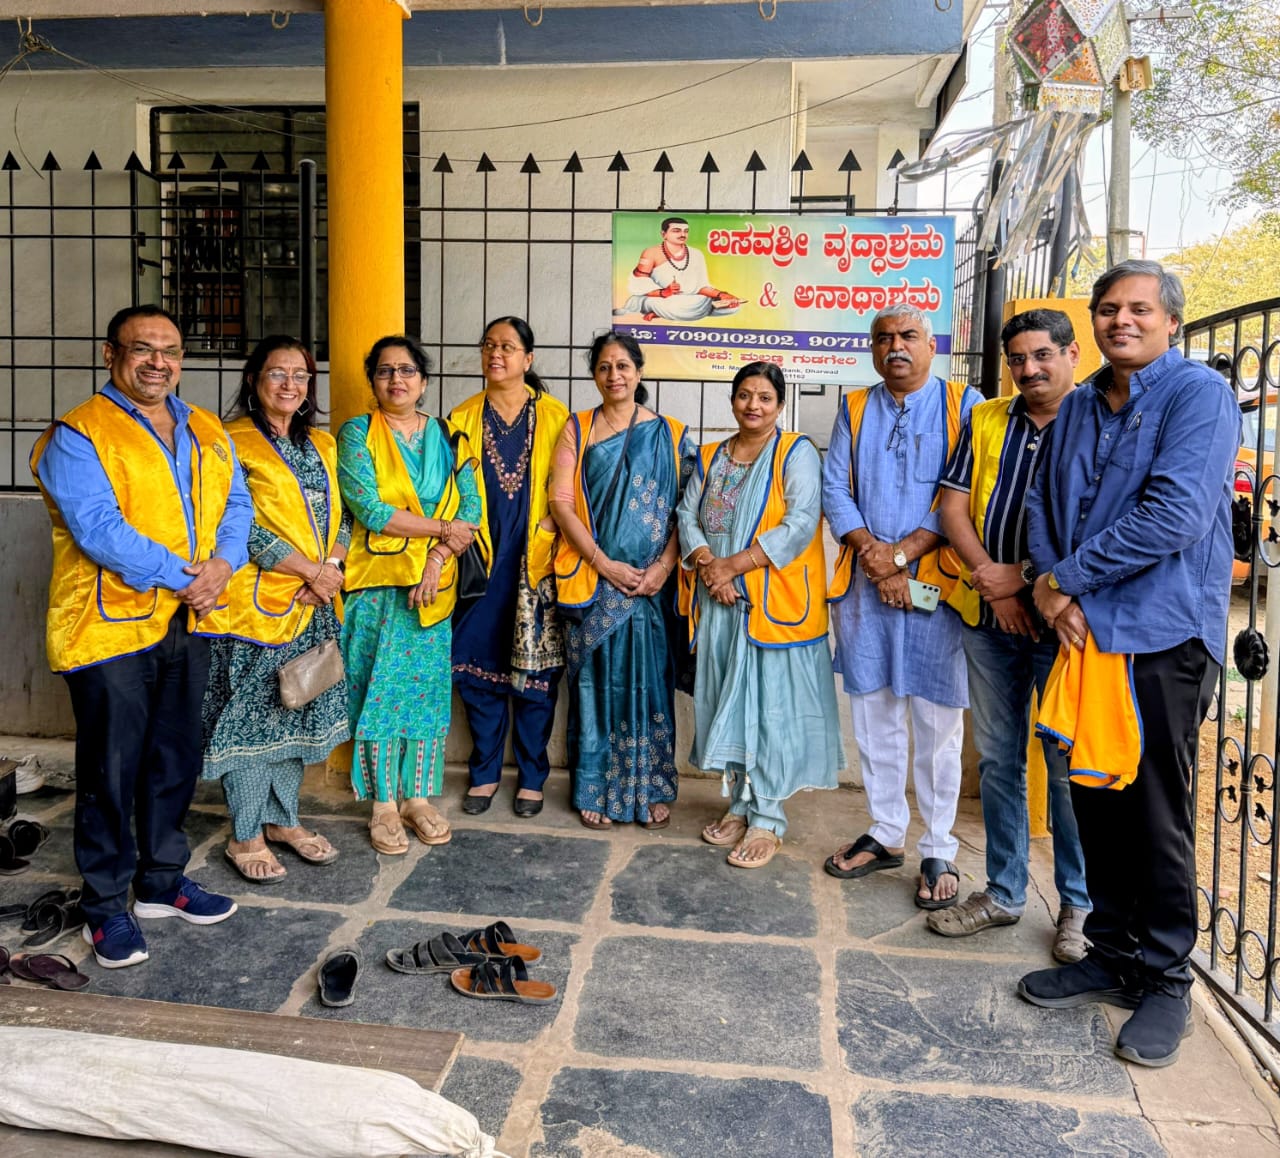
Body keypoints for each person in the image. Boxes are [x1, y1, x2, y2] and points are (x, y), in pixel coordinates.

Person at [1018, 260, 1239, 1068]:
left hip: (1161, 635)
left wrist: (1065, 581)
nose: (1121, 321)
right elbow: (1044, 507)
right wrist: (1054, 591)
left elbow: (1174, 515)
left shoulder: (1199, 397)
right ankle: (1109, 954)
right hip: (1083, 637)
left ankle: (1166, 980)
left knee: (1154, 811)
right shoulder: (1078, 405)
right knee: (1093, 800)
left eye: (1139, 310)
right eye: (1108, 309)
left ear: (1171, 321)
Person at [29, 304, 251, 968]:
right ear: (110, 355)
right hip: (107, 628)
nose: (158, 361)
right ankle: (104, 906)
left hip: (189, 619)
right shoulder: (79, 433)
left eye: (170, 350)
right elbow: (99, 530)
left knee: (173, 759)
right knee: (110, 772)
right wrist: (187, 576)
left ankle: (160, 883)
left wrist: (223, 566)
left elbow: (236, 504)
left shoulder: (206, 426)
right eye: (142, 349)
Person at [928, 309, 1090, 961]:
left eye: (1041, 356)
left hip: (1064, 623)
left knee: (1065, 766)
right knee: (998, 759)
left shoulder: (1097, 420)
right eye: (1017, 359)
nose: (1029, 369)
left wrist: (1025, 584)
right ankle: (1003, 893)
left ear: (1071, 353)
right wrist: (990, 580)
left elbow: (1097, 522)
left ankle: (1079, 905)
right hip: (988, 616)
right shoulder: (987, 417)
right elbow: (953, 505)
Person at [821, 303, 980, 909]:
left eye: (908, 335)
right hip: (866, 585)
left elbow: (965, 494)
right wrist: (871, 552)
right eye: (883, 337)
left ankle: (938, 844)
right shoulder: (855, 408)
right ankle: (887, 831)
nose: (896, 346)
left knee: (938, 724)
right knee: (875, 715)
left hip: (936, 587)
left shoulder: (964, 405)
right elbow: (837, 486)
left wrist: (903, 556)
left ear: (931, 344)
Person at [677, 361, 844, 869]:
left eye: (765, 397)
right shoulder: (710, 456)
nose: (754, 405)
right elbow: (687, 514)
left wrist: (733, 568)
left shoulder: (795, 453)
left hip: (769, 605)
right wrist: (709, 567)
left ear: (780, 404)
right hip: (720, 601)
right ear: (733, 401)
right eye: (745, 395)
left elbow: (799, 524)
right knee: (727, 701)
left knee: (769, 711)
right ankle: (739, 802)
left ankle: (768, 818)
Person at [199, 336, 351, 883]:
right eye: (277, 373)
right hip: (253, 608)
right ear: (253, 380)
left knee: (295, 707)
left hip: (314, 603)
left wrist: (330, 568)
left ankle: (284, 820)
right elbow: (232, 521)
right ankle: (246, 836)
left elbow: (345, 518)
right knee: (250, 722)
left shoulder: (324, 446)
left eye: (301, 375)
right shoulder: (229, 441)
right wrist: (307, 571)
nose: (290, 384)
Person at [338, 335, 484, 854]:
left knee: (424, 696)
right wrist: (443, 531)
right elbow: (369, 508)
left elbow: (473, 508)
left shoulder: (450, 437)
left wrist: (439, 557)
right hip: (376, 586)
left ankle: (418, 797)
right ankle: (381, 804)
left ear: (423, 380)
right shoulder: (357, 434)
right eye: (384, 371)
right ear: (372, 380)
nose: (396, 380)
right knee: (378, 692)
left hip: (433, 589)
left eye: (406, 370)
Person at [550, 332, 694, 830]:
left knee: (650, 685)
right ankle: (595, 787)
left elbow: (685, 513)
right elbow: (561, 503)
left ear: (639, 371)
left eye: (623, 366)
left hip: (650, 589)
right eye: (604, 367)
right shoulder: (577, 428)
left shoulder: (672, 435)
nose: (614, 375)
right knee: (593, 684)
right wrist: (602, 562)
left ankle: (651, 786)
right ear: (594, 374)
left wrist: (663, 568)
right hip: (594, 581)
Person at [450, 318, 568, 819]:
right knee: (476, 668)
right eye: (488, 345)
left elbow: (571, 490)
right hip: (478, 562)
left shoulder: (559, 417)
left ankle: (533, 776)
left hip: (536, 561)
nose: (496, 354)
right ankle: (484, 771)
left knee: (537, 673)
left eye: (508, 346)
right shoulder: (460, 417)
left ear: (528, 358)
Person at [614, 217, 743, 322]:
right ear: (664, 234)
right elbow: (639, 284)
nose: (682, 234)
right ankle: (661, 311)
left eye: (686, 231)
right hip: (664, 300)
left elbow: (702, 287)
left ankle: (660, 314)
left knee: (734, 308)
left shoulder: (696, 254)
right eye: (676, 230)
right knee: (658, 303)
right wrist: (664, 292)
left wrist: (723, 295)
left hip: (694, 301)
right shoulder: (651, 253)